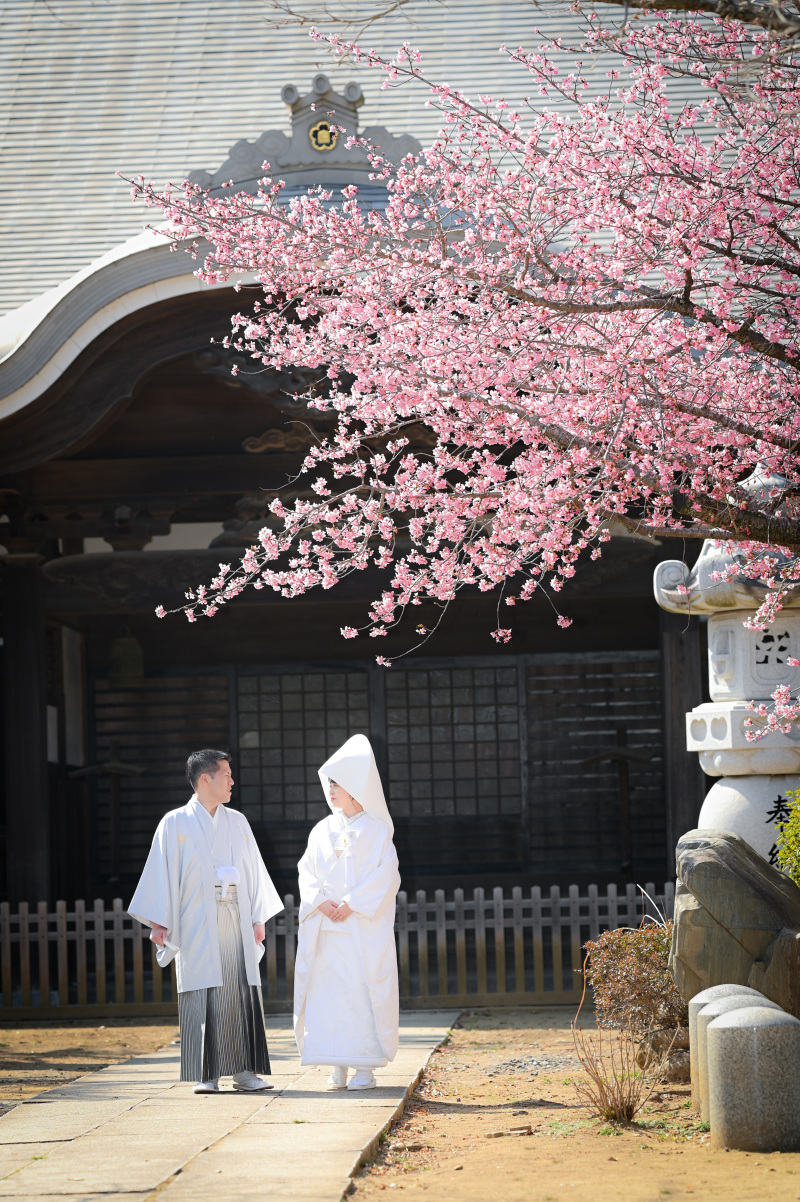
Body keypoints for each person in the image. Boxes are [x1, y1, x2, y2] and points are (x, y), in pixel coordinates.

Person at [128, 749, 283, 1094]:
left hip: (236, 914)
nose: (232, 781)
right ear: (205, 779)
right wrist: (160, 920)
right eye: (226, 774)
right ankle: (205, 1072)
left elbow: (254, 871)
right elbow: (160, 874)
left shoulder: (238, 822)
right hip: (196, 917)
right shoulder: (174, 822)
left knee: (239, 987)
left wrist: (257, 916)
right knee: (202, 987)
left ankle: (245, 1070)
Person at [294, 734, 401, 1091]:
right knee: (328, 997)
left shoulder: (377, 831)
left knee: (361, 994)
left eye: (337, 784)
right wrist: (321, 902)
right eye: (329, 784)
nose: (331, 790)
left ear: (357, 788)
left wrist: (352, 903)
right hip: (327, 930)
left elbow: (387, 875)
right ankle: (336, 1063)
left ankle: (365, 1068)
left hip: (360, 930)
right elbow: (306, 872)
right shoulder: (320, 830)